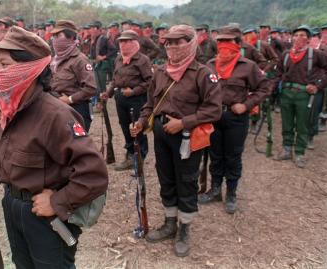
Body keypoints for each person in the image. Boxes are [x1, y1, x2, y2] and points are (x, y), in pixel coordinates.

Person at [0, 26, 108, 268]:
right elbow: (11, 151)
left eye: (4, 64)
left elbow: (94, 174)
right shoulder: (8, 106)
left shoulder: (55, 114)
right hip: (12, 205)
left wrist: (58, 202)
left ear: (28, 68)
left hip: (45, 218)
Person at [130, 25, 222, 257]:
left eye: (178, 42)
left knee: (187, 181)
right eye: (169, 43)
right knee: (166, 178)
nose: (172, 47)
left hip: (187, 135)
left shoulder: (203, 73)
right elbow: (151, 103)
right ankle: (170, 223)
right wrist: (141, 122)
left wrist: (183, 123)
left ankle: (184, 228)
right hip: (162, 134)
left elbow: (214, 110)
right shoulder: (160, 71)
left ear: (191, 43)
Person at [198, 25, 272, 212]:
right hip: (213, 117)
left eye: (228, 41)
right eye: (221, 41)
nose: (224, 45)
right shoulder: (210, 65)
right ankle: (215, 190)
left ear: (238, 43)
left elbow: (264, 88)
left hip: (236, 118)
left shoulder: (248, 66)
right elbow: (201, 89)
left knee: (233, 156)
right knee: (215, 155)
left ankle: (231, 193)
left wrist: (246, 104)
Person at [273, 25, 327, 167]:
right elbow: (278, 73)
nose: (299, 38)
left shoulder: (316, 54)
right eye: (296, 35)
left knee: (302, 124)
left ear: (309, 39)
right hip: (286, 93)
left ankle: (299, 153)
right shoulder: (286, 54)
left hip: (305, 95)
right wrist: (272, 89)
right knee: (287, 123)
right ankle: (287, 149)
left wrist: (318, 85)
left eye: (303, 35)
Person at [103, 30, 152, 171]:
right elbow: (115, 79)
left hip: (137, 99)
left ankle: (140, 155)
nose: (123, 44)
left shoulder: (143, 60)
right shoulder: (119, 59)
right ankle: (131, 152)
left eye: (127, 41)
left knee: (137, 127)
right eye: (121, 41)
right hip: (121, 98)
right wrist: (108, 92)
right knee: (125, 126)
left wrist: (134, 91)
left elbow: (150, 82)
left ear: (135, 42)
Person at [49, 20, 97, 131]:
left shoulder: (80, 60)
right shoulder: (55, 60)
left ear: (70, 37)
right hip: (58, 110)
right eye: (54, 36)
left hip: (77, 110)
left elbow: (91, 88)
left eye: (58, 36)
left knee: (77, 144)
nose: (55, 40)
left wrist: (70, 99)